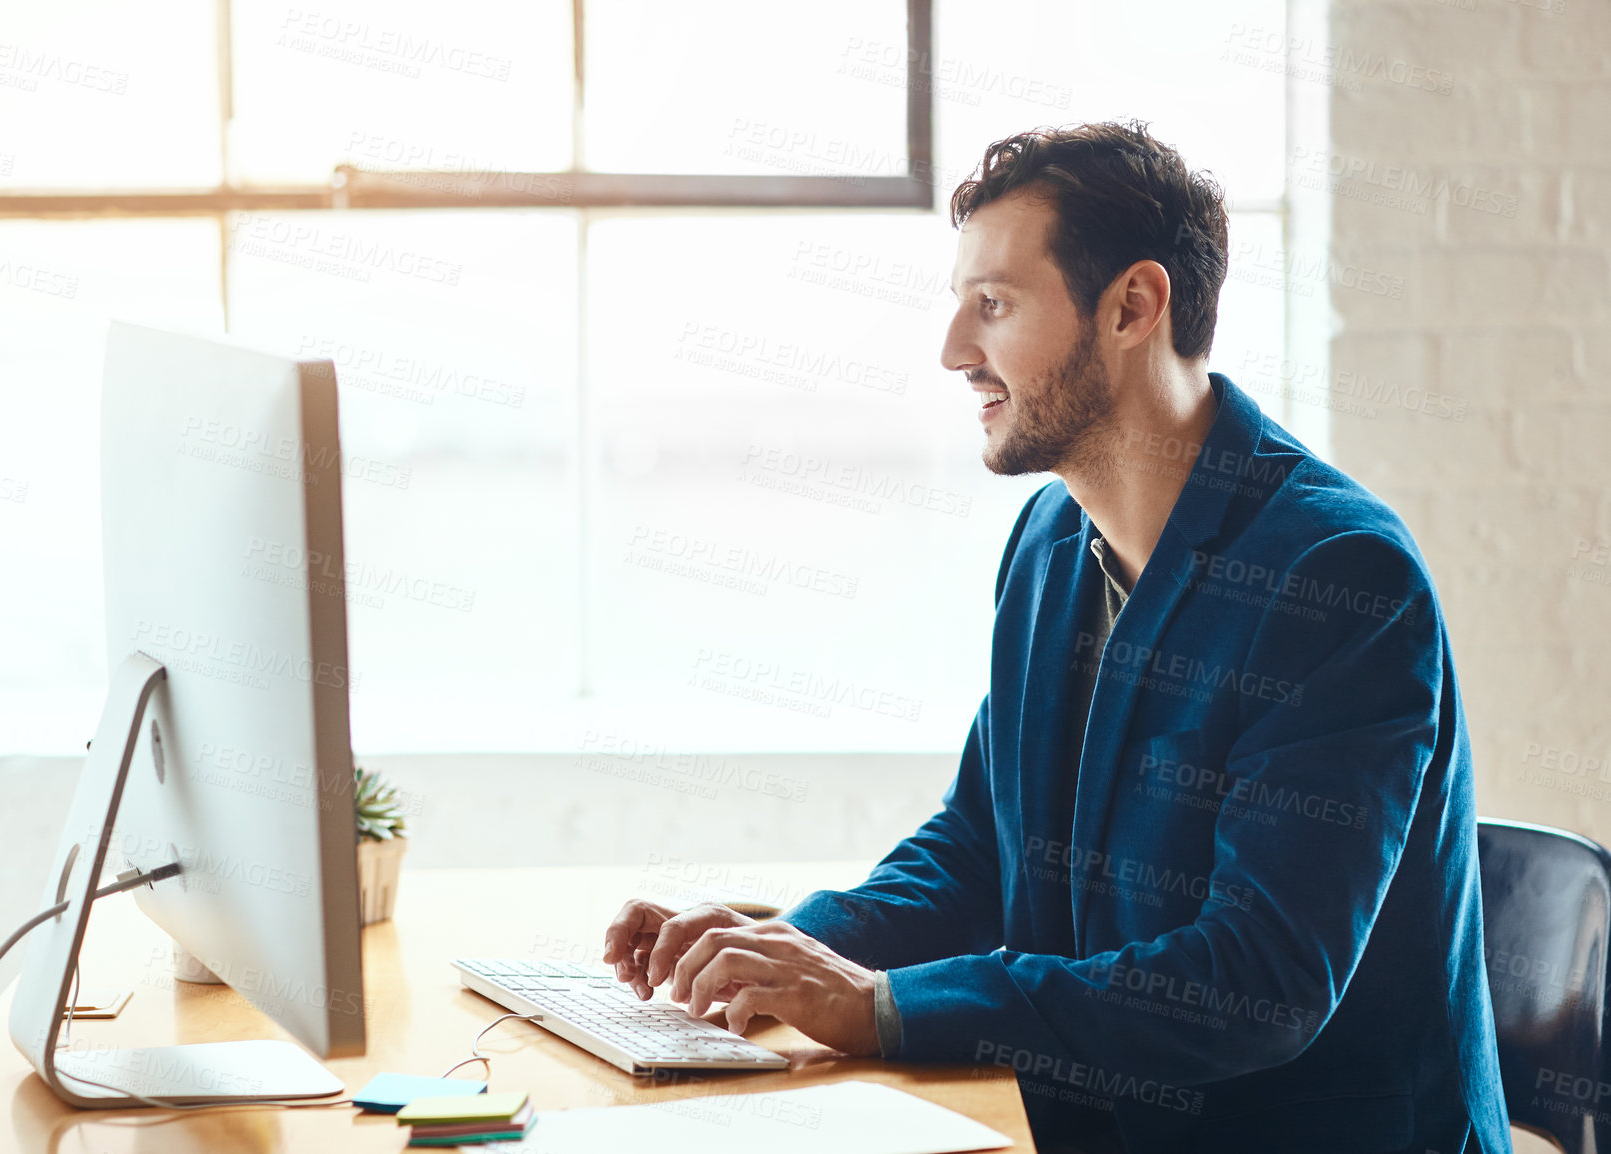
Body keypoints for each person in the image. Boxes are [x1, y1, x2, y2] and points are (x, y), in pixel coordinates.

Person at [601, 121, 1510, 1154]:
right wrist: (787, 947)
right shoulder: (1048, 538)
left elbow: (1256, 983)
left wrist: (881, 1004)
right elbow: (982, 848)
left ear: (1132, 305)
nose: (952, 350)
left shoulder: (1337, 579)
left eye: (992, 305)